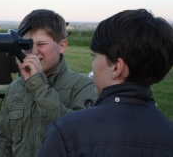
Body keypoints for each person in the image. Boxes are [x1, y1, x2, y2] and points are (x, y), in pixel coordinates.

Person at [38, 9, 173, 156]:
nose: (93, 64)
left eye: (94, 56)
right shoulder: (168, 132)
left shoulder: (67, 131)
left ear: (116, 67)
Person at [0, 9, 97, 156]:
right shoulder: (15, 86)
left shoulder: (82, 86)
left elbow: (81, 135)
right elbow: (3, 138)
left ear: (62, 46)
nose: (32, 51)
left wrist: (38, 86)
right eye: (26, 44)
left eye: (41, 44)